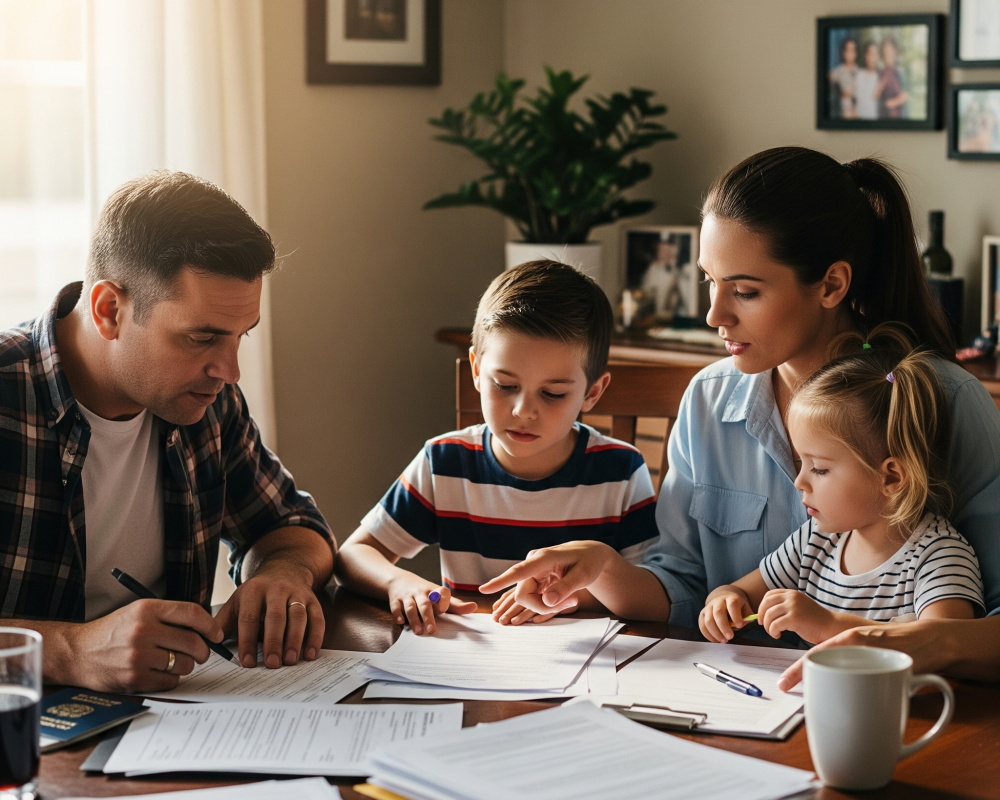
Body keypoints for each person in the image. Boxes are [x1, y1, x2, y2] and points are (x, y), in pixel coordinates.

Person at [480, 147, 1000, 647]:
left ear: (831, 284)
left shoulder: (944, 401)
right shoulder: (708, 401)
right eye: (710, 281)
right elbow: (686, 590)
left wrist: (872, 640)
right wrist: (603, 568)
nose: (715, 315)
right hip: (738, 707)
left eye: (745, 291)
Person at [0, 172, 336, 693]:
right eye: (202, 338)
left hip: (176, 728)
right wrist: (70, 651)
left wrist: (282, 575)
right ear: (109, 310)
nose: (230, 370)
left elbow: (295, 527)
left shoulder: (206, 402)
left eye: (240, 337)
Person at [334, 260, 659, 634]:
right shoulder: (445, 462)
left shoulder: (620, 471)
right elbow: (353, 555)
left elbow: (650, 594)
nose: (523, 411)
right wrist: (399, 582)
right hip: (471, 669)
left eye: (552, 394)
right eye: (505, 385)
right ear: (476, 369)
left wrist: (570, 596)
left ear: (592, 392)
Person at [699, 325, 983, 646]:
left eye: (819, 468)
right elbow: (740, 591)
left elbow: (943, 646)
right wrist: (723, 602)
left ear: (891, 477)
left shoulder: (939, 557)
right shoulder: (818, 539)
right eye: (801, 462)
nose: (799, 481)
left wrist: (829, 624)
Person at [877, 37, 909, 119]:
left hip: (899, 117)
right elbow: (876, 97)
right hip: (884, 118)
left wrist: (893, 102)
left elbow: (905, 95)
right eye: (886, 50)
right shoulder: (879, 72)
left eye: (890, 50)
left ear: (895, 51)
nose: (888, 53)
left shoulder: (900, 71)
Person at [829, 37, 858, 119]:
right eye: (848, 51)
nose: (851, 54)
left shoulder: (859, 71)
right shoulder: (839, 71)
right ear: (844, 53)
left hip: (858, 111)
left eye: (853, 50)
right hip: (845, 111)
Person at [854, 42, 880, 120]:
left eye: (875, 54)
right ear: (865, 56)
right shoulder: (859, 75)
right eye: (870, 54)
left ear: (878, 57)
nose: (872, 57)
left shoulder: (880, 77)